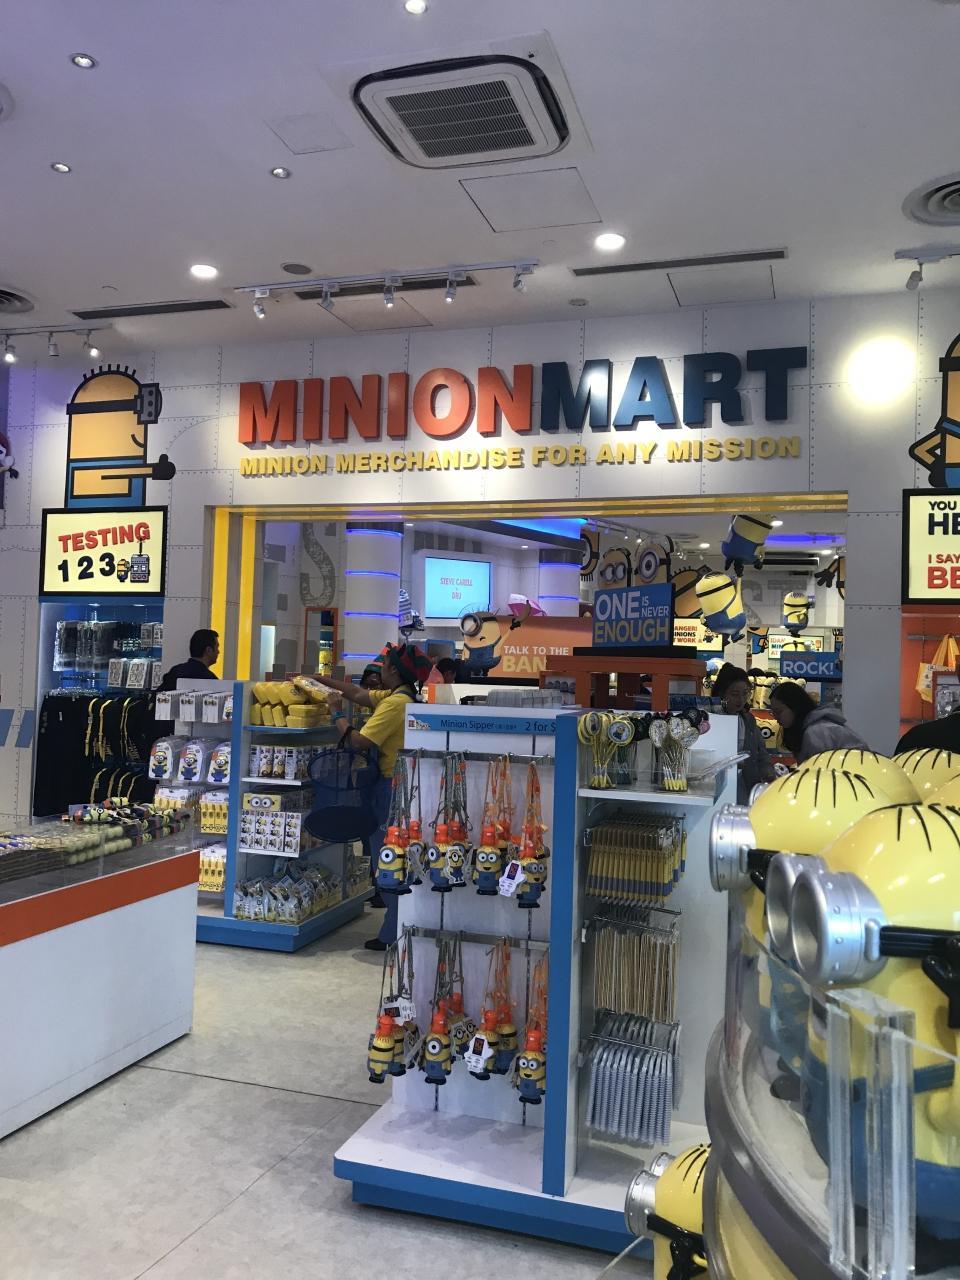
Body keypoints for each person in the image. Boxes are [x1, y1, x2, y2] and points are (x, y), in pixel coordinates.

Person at [320, 644, 432, 951]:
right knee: (391, 856)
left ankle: (392, 934)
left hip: (390, 788)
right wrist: (321, 681)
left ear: (393, 669)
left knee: (388, 858)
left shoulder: (396, 705)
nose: (380, 668)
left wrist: (336, 712)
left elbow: (359, 740)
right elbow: (359, 694)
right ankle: (394, 928)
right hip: (397, 785)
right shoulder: (402, 696)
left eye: (384, 664)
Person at [711, 663, 775, 803]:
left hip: (747, 787)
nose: (741, 699)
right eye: (735, 694)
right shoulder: (711, 719)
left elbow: (761, 752)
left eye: (745, 693)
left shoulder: (748, 720)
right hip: (717, 789)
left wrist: (770, 774)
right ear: (722, 693)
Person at [768, 681, 867, 763]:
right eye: (773, 712)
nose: (776, 717)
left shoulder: (816, 732)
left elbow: (820, 773)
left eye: (778, 711)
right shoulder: (813, 729)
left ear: (795, 707)